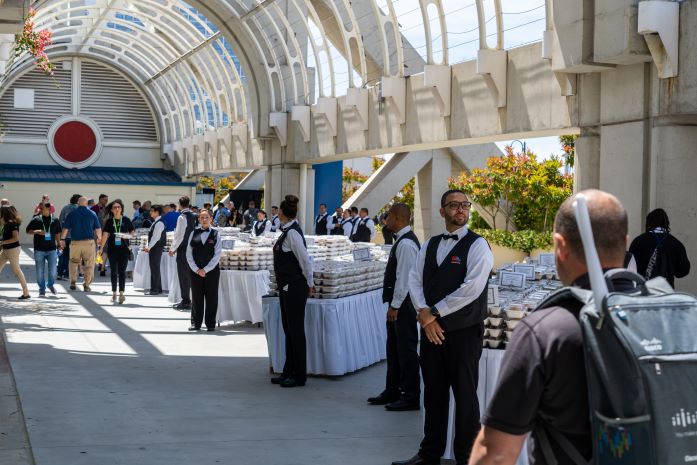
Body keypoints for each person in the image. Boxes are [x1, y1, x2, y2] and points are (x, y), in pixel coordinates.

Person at [469, 190, 631, 465]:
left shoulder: (545, 331)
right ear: (625, 243)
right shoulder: (678, 317)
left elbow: (495, 454)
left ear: (560, 245)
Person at [394, 189, 493, 465]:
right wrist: (424, 315)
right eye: (453, 205)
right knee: (434, 395)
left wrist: (433, 313)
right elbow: (415, 280)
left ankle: (467, 458)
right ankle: (430, 454)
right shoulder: (430, 244)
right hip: (430, 332)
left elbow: (471, 288)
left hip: (463, 333)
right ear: (442, 211)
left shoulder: (478, 245)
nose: (460, 210)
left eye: (464, 205)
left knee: (465, 398)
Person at [368, 203, 421, 411]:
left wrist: (395, 305)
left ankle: (410, 396)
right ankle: (392, 390)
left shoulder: (407, 244)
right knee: (394, 349)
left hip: (404, 305)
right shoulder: (402, 240)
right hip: (400, 304)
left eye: (388, 216)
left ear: (398, 218)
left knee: (406, 350)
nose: (385, 219)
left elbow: (404, 279)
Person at [271, 195, 314, 388]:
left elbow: (305, 261)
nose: (277, 213)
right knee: (289, 330)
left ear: (283, 213)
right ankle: (288, 370)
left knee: (295, 331)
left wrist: (310, 283)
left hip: (294, 286)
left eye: (279, 210)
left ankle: (299, 375)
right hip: (286, 286)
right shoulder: (287, 231)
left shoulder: (293, 233)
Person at [628, 208, 690, 287]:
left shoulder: (638, 241)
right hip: (666, 292)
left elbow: (630, 270)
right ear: (666, 223)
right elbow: (683, 271)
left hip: (643, 292)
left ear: (648, 223)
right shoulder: (676, 244)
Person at [186, 209, 222, 332]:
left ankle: (210, 324)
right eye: (202, 217)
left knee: (212, 297)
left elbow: (217, 255)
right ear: (199, 219)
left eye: (206, 217)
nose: (204, 219)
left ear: (211, 219)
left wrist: (205, 269)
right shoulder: (193, 233)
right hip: (195, 271)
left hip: (211, 271)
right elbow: (188, 253)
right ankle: (195, 323)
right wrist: (196, 269)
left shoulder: (216, 234)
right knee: (196, 297)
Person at [60, 197, 102, 292]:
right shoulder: (92, 213)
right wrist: (99, 238)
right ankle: (86, 284)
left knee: (73, 262)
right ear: (86, 204)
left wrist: (62, 239)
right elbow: (98, 229)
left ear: (78, 203)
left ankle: (73, 282)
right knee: (89, 264)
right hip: (89, 243)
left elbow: (65, 228)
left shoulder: (72, 214)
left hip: (75, 243)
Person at [99, 200, 135, 304]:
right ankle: (114, 293)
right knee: (114, 272)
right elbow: (105, 235)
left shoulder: (126, 220)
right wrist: (101, 248)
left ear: (121, 208)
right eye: (114, 207)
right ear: (112, 210)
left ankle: (121, 293)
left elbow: (133, 233)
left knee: (122, 272)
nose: (117, 209)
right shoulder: (110, 221)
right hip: (112, 249)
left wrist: (126, 236)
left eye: (118, 207)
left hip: (124, 249)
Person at [26, 202, 62, 296]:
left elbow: (58, 233)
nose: (40, 210)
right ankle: (42, 288)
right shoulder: (36, 219)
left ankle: (50, 285)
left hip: (51, 249)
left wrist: (59, 244)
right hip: (39, 249)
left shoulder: (55, 220)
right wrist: (36, 231)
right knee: (39, 271)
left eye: (43, 209)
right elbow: (28, 230)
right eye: (40, 209)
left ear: (49, 209)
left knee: (53, 270)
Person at [169, 196, 197, 310]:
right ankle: (188, 299)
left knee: (183, 275)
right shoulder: (193, 216)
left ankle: (186, 300)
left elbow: (179, 235)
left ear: (180, 205)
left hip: (183, 248)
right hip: (192, 247)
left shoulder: (182, 217)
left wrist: (173, 248)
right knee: (189, 274)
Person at [0, 206, 31, 299]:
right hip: (5, 250)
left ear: (4, 214)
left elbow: (16, 238)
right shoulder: (6, 224)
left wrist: (2, 242)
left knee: (17, 271)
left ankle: (26, 293)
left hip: (13, 250)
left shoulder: (13, 224)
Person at [57, 194, 80, 280]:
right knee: (71, 257)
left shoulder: (64, 208)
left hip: (63, 236)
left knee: (62, 255)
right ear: (78, 201)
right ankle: (67, 274)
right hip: (74, 236)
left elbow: (59, 222)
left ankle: (59, 273)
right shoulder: (78, 209)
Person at [144, 205, 166, 295]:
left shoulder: (159, 223)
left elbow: (156, 237)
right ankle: (158, 288)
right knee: (155, 268)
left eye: (152, 211)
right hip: (155, 248)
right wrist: (148, 246)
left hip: (156, 248)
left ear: (157, 212)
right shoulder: (156, 222)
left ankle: (154, 289)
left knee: (155, 268)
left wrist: (148, 247)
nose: (150, 212)